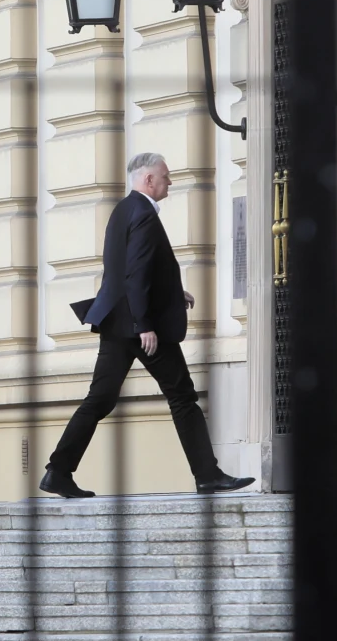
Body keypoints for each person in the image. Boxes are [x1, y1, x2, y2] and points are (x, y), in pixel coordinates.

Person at [40, 152, 256, 499]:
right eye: (165, 177)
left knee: (100, 399)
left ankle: (58, 472)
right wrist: (145, 323)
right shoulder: (143, 215)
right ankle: (207, 476)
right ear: (148, 180)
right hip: (140, 327)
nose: (170, 182)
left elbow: (132, 269)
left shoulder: (123, 211)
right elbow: (135, 272)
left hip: (116, 321)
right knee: (183, 396)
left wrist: (172, 292)